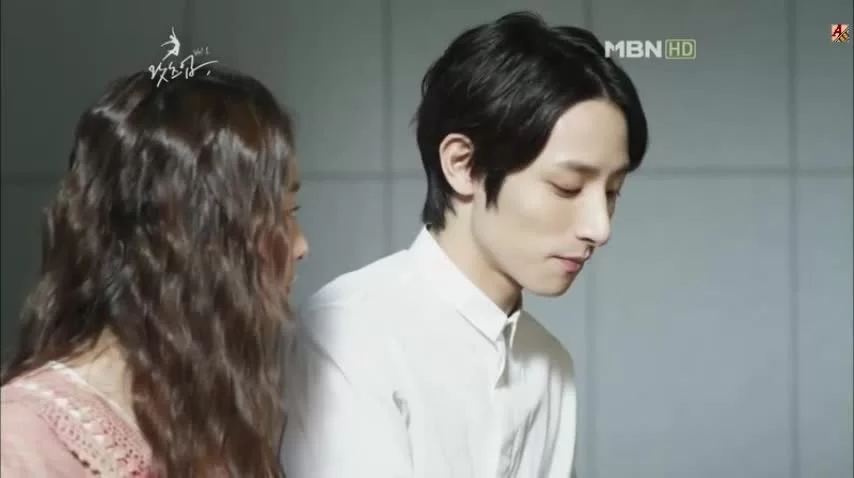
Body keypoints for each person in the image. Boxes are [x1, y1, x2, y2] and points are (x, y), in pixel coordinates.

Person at [281, 10, 648, 478]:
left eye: (612, 192)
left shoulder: (551, 366)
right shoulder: (349, 331)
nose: (600, 228)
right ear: (463, 164)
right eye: (567, 187)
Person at [0, 67, 309, 477]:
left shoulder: (209, 421)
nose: (301, 246)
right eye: (282, 215)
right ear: (187, 232)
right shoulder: (22, 443)